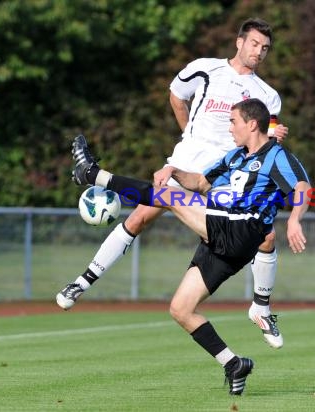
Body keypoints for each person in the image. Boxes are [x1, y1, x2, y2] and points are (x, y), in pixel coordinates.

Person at [56, 18, 289, 349]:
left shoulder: (269, 95)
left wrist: (272, 136)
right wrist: (187, 138)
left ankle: (262, 309)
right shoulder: (205, 69)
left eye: (265, 48)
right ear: (239, 42)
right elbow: (176, 97)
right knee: (138, 217)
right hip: (185, 165)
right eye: (254, 44)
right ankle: (82, 282)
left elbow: (263, 142)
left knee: (265, 236)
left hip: (220, 180)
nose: (259, 52)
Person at [68, 98, 311, 395]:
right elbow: (199, 182)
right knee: (181, 309)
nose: (230, 127)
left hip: (240, 228)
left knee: (168, 198)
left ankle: (92, 174)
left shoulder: (276, 155)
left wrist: (295, 219)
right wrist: (173, 171)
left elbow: (302, 187)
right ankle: (233, 363)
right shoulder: (234, 156)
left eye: (233, 121)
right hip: (221, 239)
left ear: (252, 124)